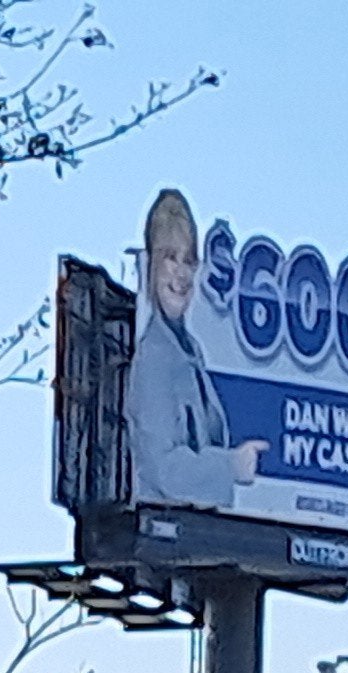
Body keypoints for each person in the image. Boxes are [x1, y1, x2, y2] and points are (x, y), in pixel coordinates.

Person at [127, 189, 263, 511]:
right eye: (170, 257)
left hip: (196, 526)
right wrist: (230, 465)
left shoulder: (191, 352)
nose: (181, 273)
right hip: (161, 530)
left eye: (188, 260)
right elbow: (162, 468)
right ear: (150, 265)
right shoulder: (155, 357)